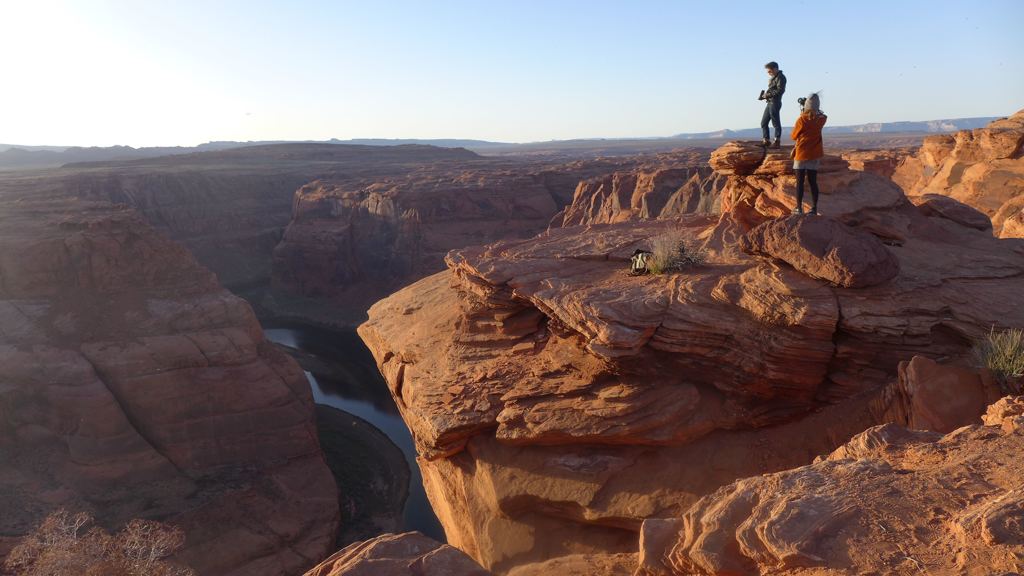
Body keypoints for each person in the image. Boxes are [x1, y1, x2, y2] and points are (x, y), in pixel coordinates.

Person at [790, 93, 827, 215]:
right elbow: (822, 114)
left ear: (806, 105)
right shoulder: (821, 120)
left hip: (801, 153)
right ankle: (814, 209)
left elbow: (793, 136)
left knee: (800, 182)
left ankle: (798, 208)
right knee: (813, 182)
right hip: (814, 154)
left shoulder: (801, 119)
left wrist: (803, 112)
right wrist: (814, 110)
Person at [758, 61, 786, 148]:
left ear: (775, 69)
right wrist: (764, 96)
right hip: (770, 102)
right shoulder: (774, 78)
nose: (768, 73)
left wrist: (768, 95)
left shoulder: (781, 77)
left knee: (775, 122)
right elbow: (774, 90)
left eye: (770, 71)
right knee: (763, 122)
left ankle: (777, 141)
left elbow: (780, 91)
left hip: (775, 102)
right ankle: (766, 141)